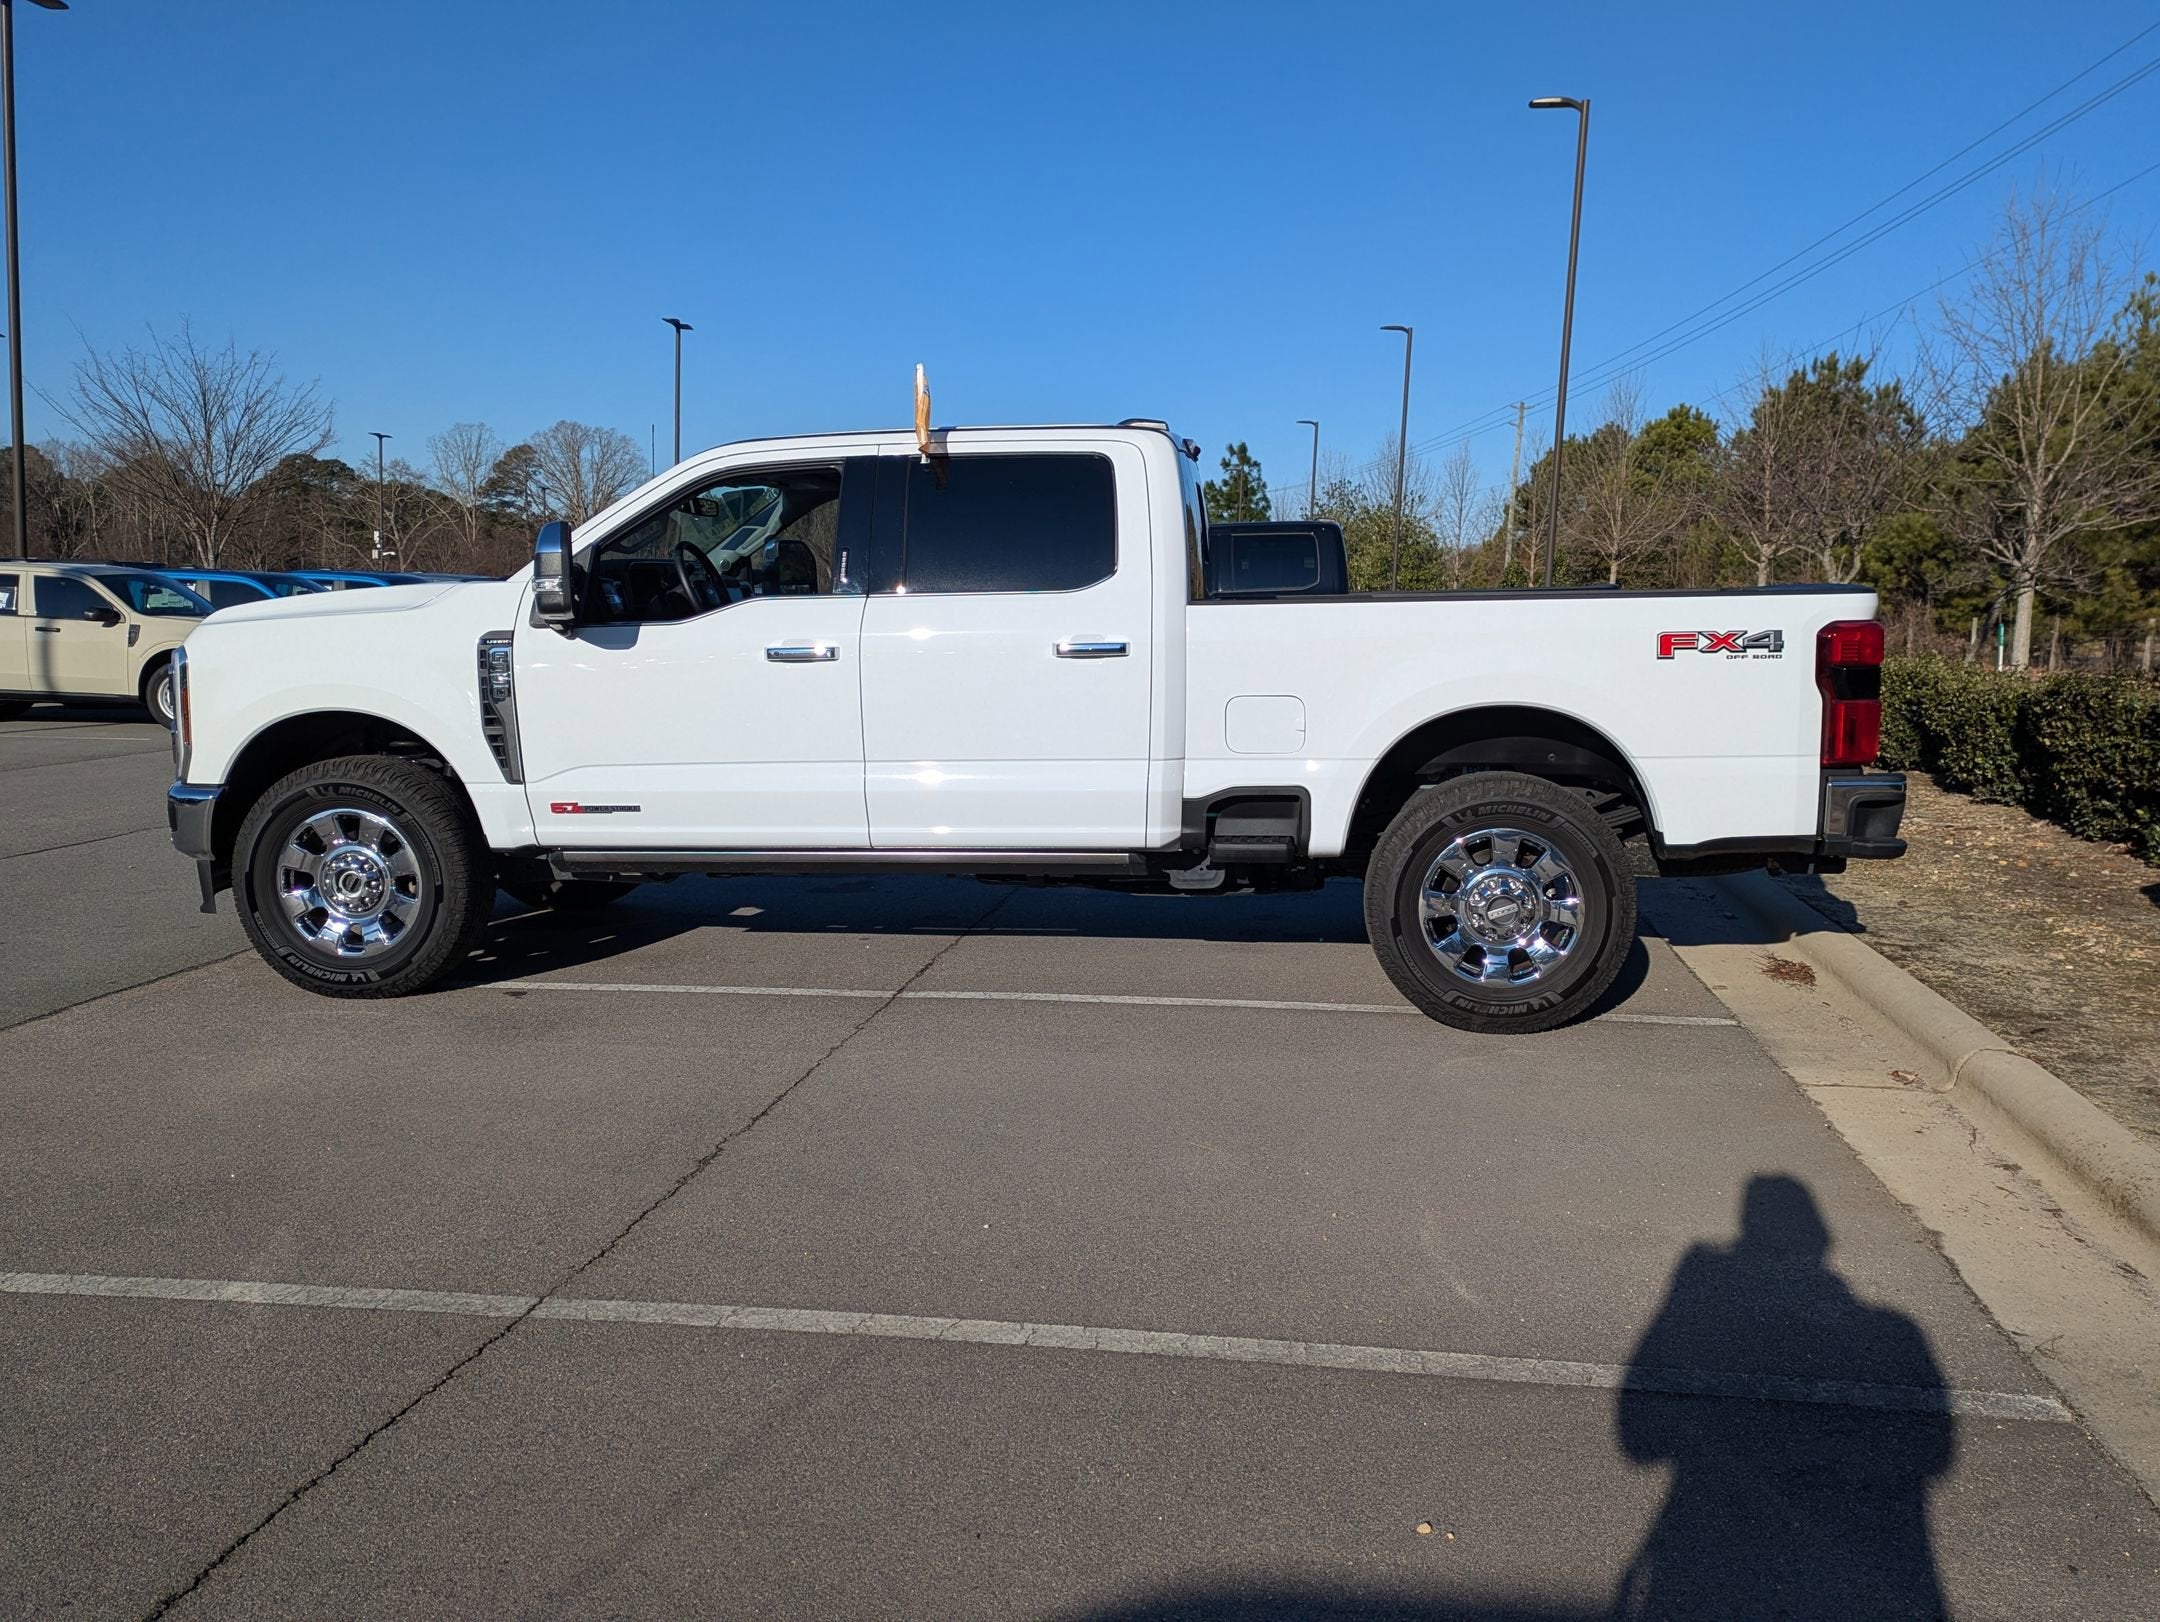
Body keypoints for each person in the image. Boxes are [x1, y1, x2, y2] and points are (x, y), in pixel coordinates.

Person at [1614, 1175, 1953, 1619]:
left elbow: (1640, 1442)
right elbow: (1937, 1457)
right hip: (1862, 1570)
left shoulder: (1700, 1278)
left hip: (1703, 1543)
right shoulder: (1897, 1328)